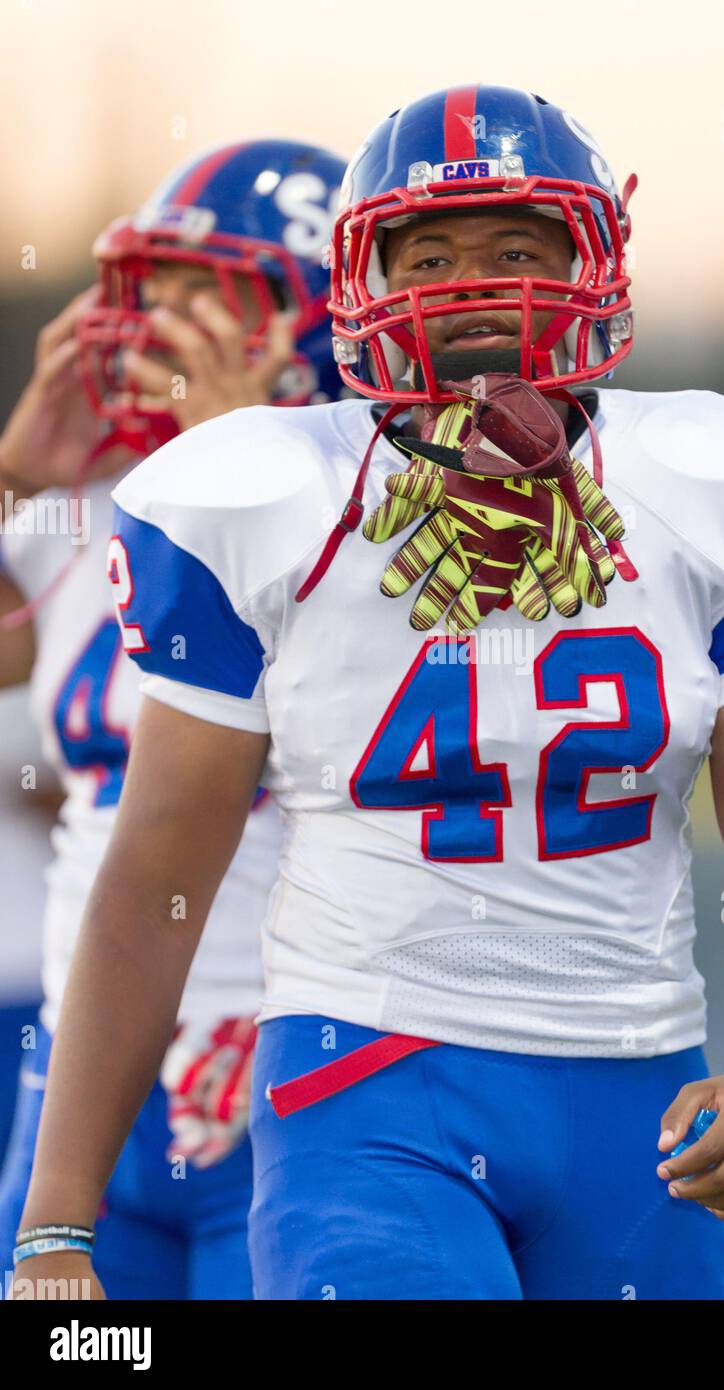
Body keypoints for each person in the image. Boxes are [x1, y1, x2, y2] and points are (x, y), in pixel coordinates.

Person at [15, 87, 724, 1301]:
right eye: (430, 256)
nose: (473, 286)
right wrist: (55, 1225)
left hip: (637, 1089)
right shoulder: (263, 495)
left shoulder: (720, 486)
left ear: (591, 265)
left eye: (516, 249)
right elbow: (155, 874)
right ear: (363, 281)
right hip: (365, 1074)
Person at [0, 138, 346, 1298]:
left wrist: (252, 482)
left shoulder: (365, 512)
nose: (158, 325)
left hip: (292, 1049)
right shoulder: (104, 505)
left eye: (208, 294)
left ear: (316, 322)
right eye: (153, 289)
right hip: (86, 1067)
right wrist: (13, 475)